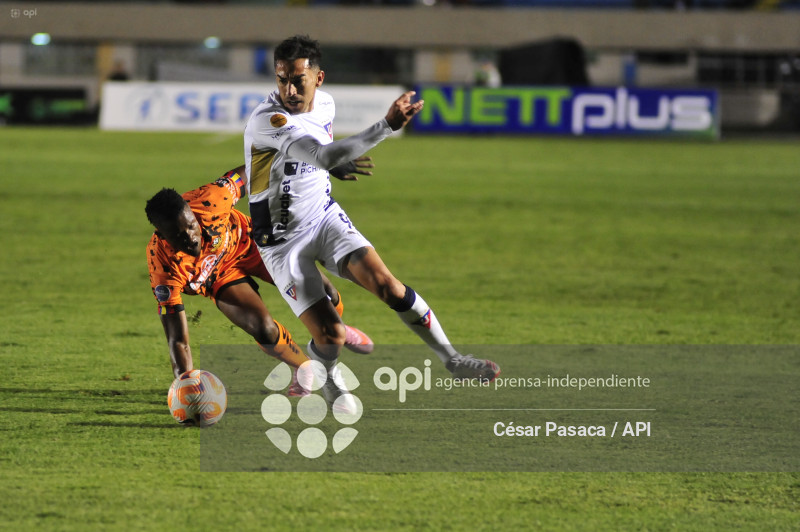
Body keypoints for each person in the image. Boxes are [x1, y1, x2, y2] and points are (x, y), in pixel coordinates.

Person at [243, 35, 500, 409]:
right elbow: (320, 152)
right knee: (330, 336)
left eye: (298, 79)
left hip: (324, 218)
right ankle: (327, 373)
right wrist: (385, 127)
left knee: (390, 287)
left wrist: (333, 164)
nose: (289, 89)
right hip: (281, 242)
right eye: (282, 79)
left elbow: (321, 151)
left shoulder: (325, 105)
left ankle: (453, 359)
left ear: (319, 78)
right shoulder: (270, 119)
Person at [145, 164, 374, 396]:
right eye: (178, 236)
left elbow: (257, 167)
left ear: (193, 215)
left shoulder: (211, 199)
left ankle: (337, 331)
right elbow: (178, 339)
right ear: (162, 236)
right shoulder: (162, 266)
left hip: (256, 246)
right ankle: (305, 367)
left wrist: (322, 160)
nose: (190, 238)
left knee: (325, 293)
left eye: (191, 226)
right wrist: (186, 388)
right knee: (263, 329)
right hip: (220, 278)